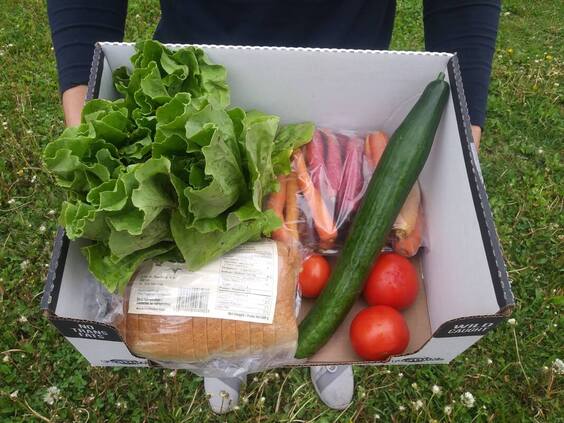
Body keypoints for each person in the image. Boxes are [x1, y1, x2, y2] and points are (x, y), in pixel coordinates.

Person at [47, 0, 500, 414]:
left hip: (350, 69)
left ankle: (320, 348)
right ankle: (228, 352)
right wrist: (83, 114)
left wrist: (464, 138)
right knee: (213, 263)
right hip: (199, 67)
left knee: (299, 259)